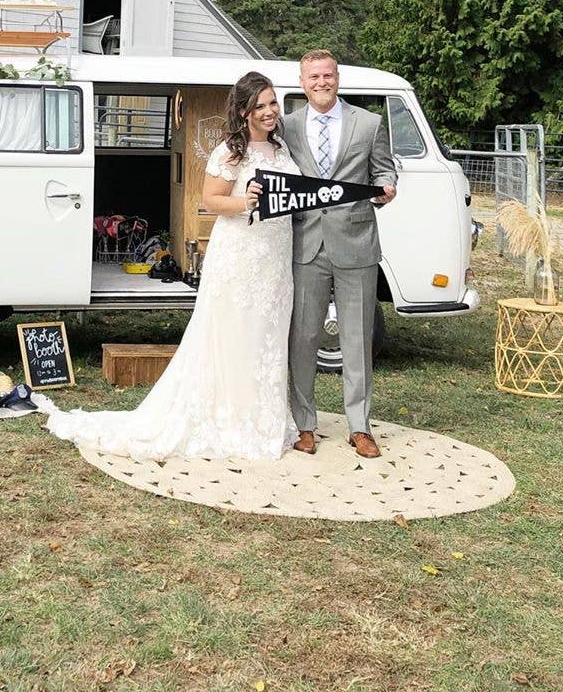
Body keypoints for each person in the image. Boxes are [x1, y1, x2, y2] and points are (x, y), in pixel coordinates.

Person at [38, 72, 299, 461]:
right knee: (234, 334)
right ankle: (230, 421)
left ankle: (263, 419)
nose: (269, 111)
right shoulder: (230, 150)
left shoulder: (281, 147)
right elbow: (210, 200)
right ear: (243, 111)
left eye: (273, 102)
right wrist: (244, 201)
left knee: (267, 336)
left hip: (275, 257)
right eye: (259, 105)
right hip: (242, 254)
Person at [279, 49, 397, 459]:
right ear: (302, 82)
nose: (321, 83)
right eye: (313, 77)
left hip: (357, 243)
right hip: (306, 243)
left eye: (327, 75)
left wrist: (385, 189)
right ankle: (304, 425)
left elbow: (384, 170)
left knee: (357, 338)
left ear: (338, 78)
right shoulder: (287, 126)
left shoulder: (369, 123)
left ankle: (360, 426)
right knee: (303, 337)